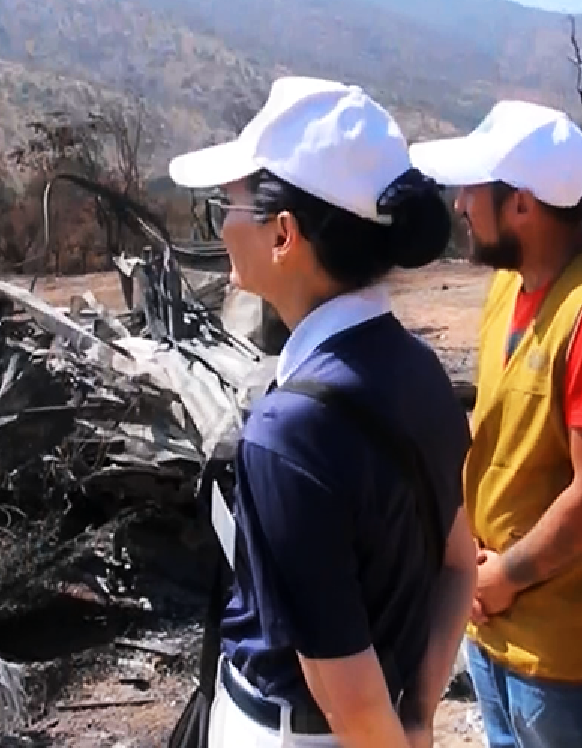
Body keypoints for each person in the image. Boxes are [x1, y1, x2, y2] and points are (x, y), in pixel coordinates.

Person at [167, 75, 476, 748]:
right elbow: (460, 564)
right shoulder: (420, 372)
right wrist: (420, 713)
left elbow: (349, 697)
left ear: (283, 234)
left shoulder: (287, 437)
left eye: (231, 204)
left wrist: (396, 730)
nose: (222, 226)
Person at [409, 101, 582, 748]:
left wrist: (504, 577)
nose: (460, 204)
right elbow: (501, 439)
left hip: (567, 650)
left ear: (522, 205)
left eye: (475, 189)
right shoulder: (513, 285)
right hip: (499, 619)